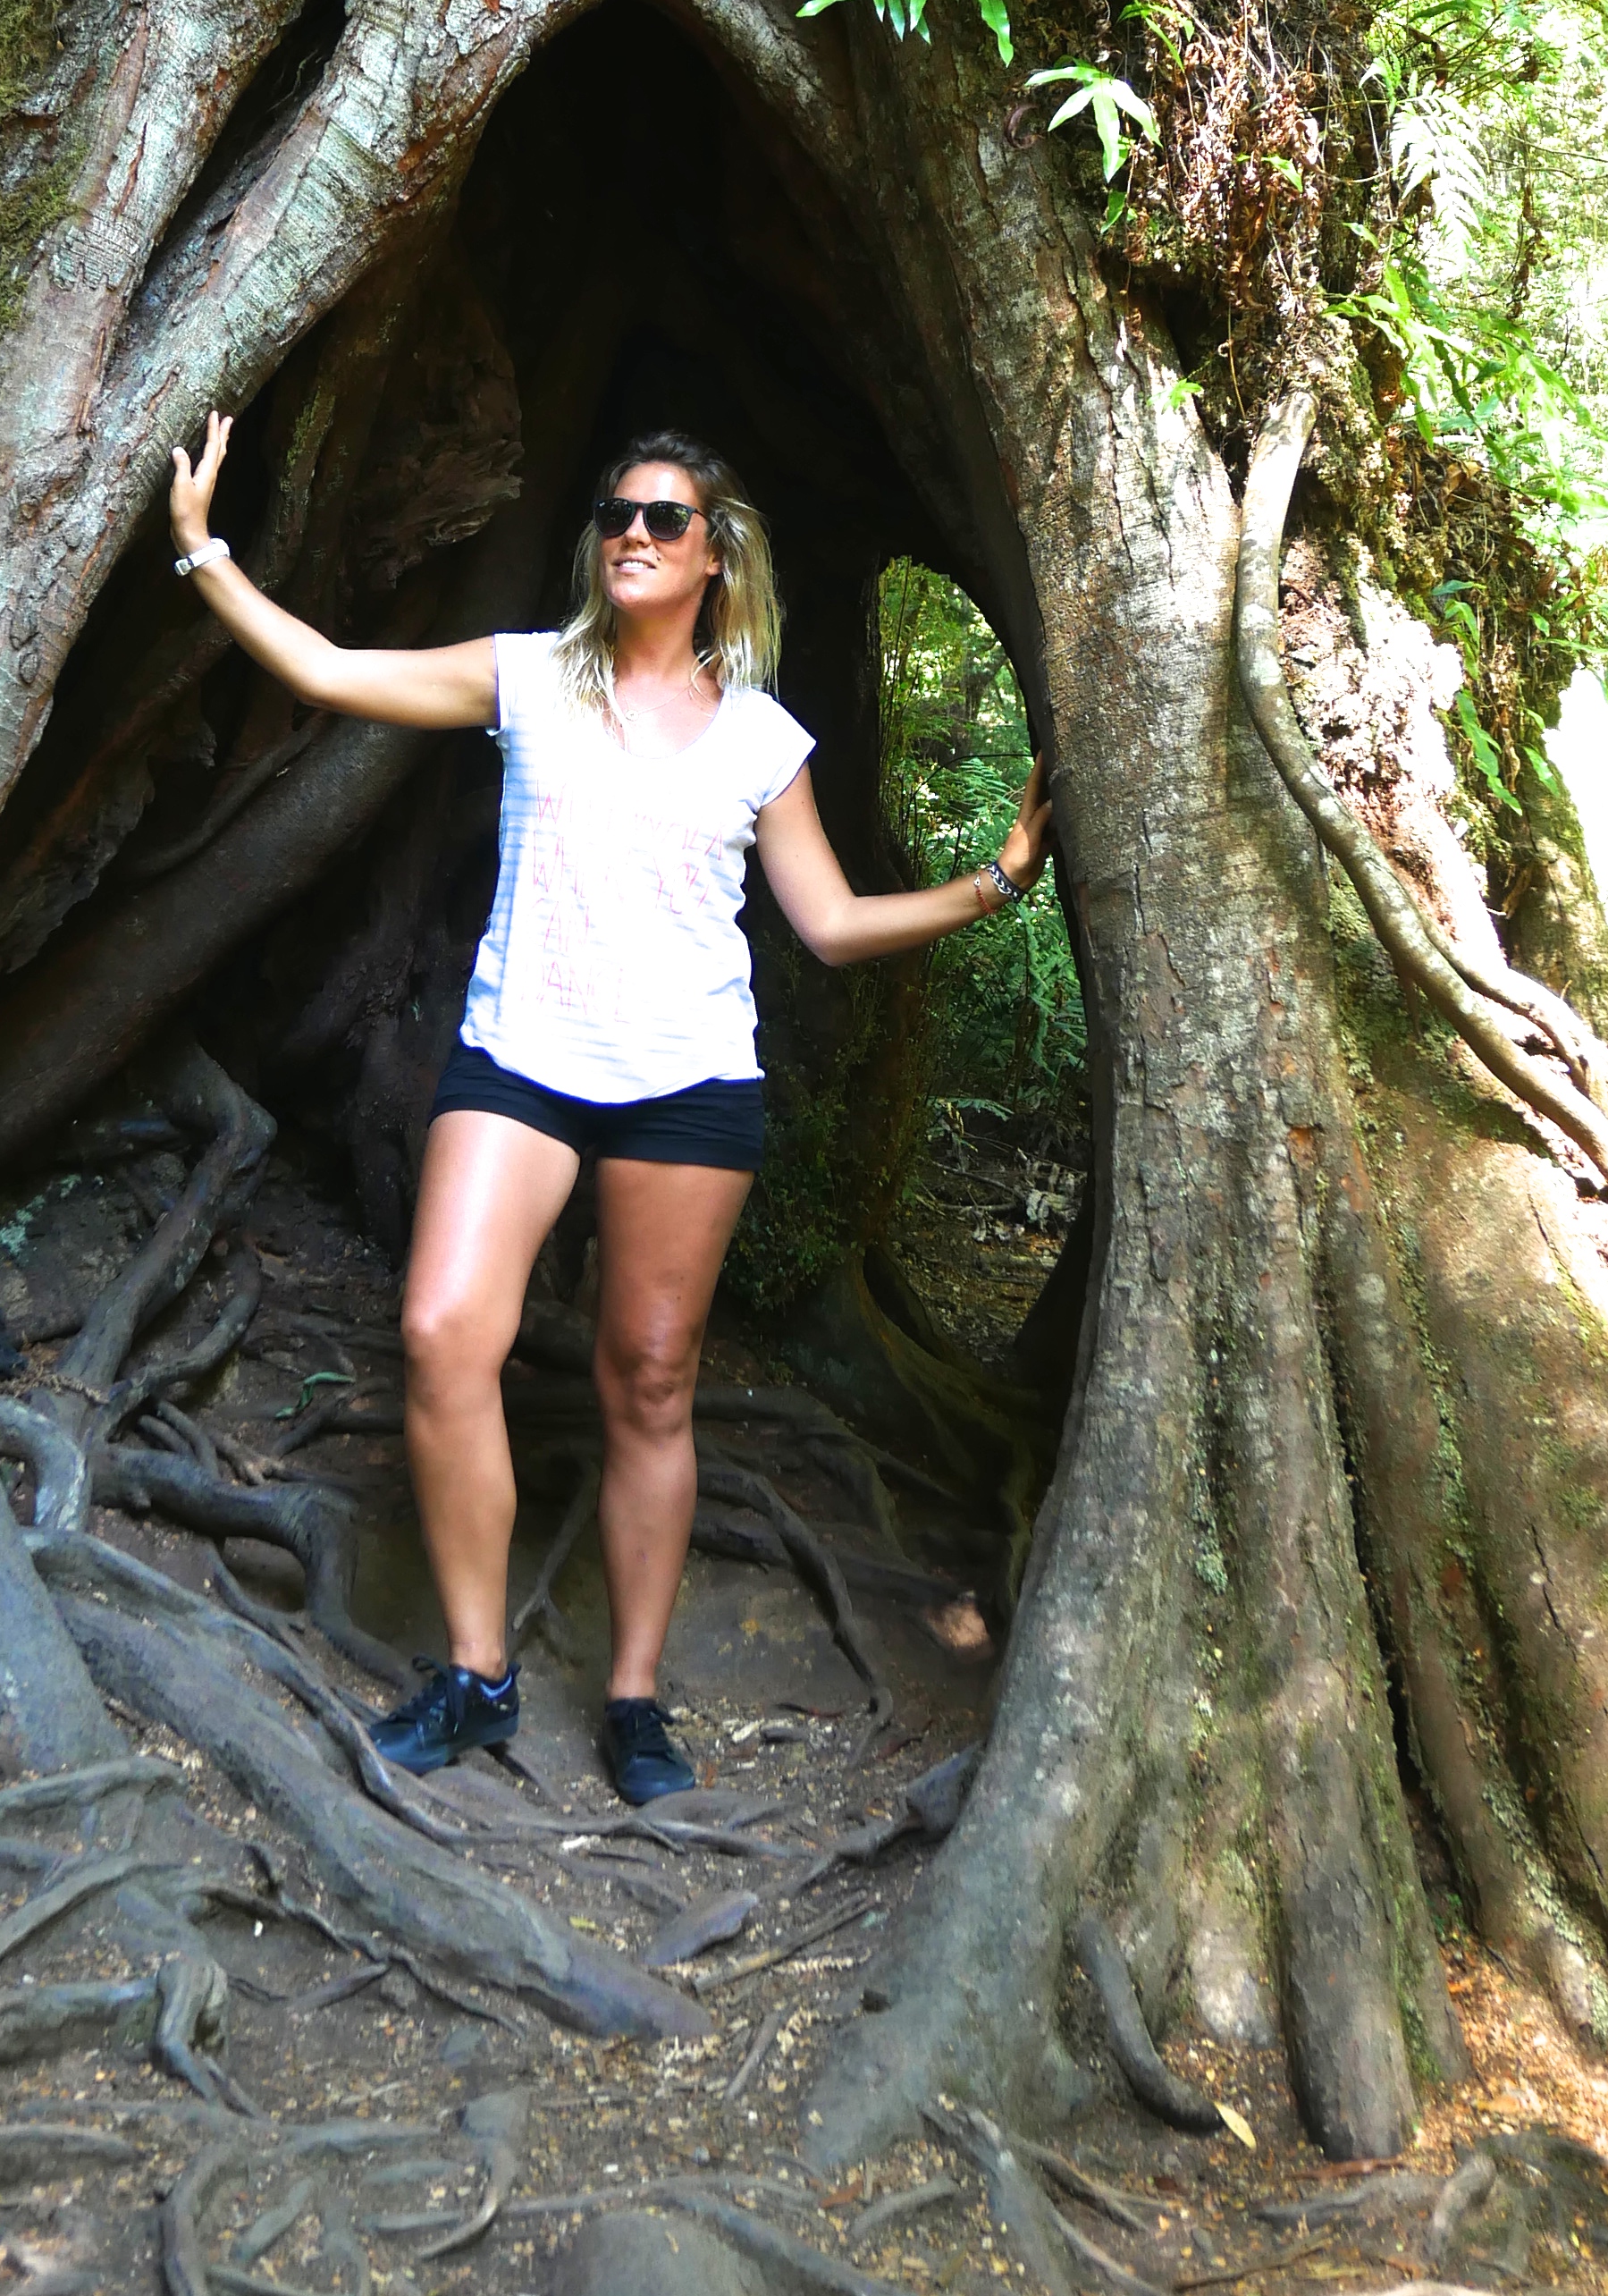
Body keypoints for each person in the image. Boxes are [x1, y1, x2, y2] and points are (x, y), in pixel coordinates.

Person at [165, 414, 1051, 1802]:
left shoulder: (762, 736)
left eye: (662, 517)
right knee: (443, 1326)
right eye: (616, 515)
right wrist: (206, 553)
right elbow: (334, 671)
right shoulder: (530, 676)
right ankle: (476, 1676)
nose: (631, 533)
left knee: (648, 1381)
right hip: (520, 1060)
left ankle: (636, 1699)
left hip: (689, 1085)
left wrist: (994, 883)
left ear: (714, 555)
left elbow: (824, 924)